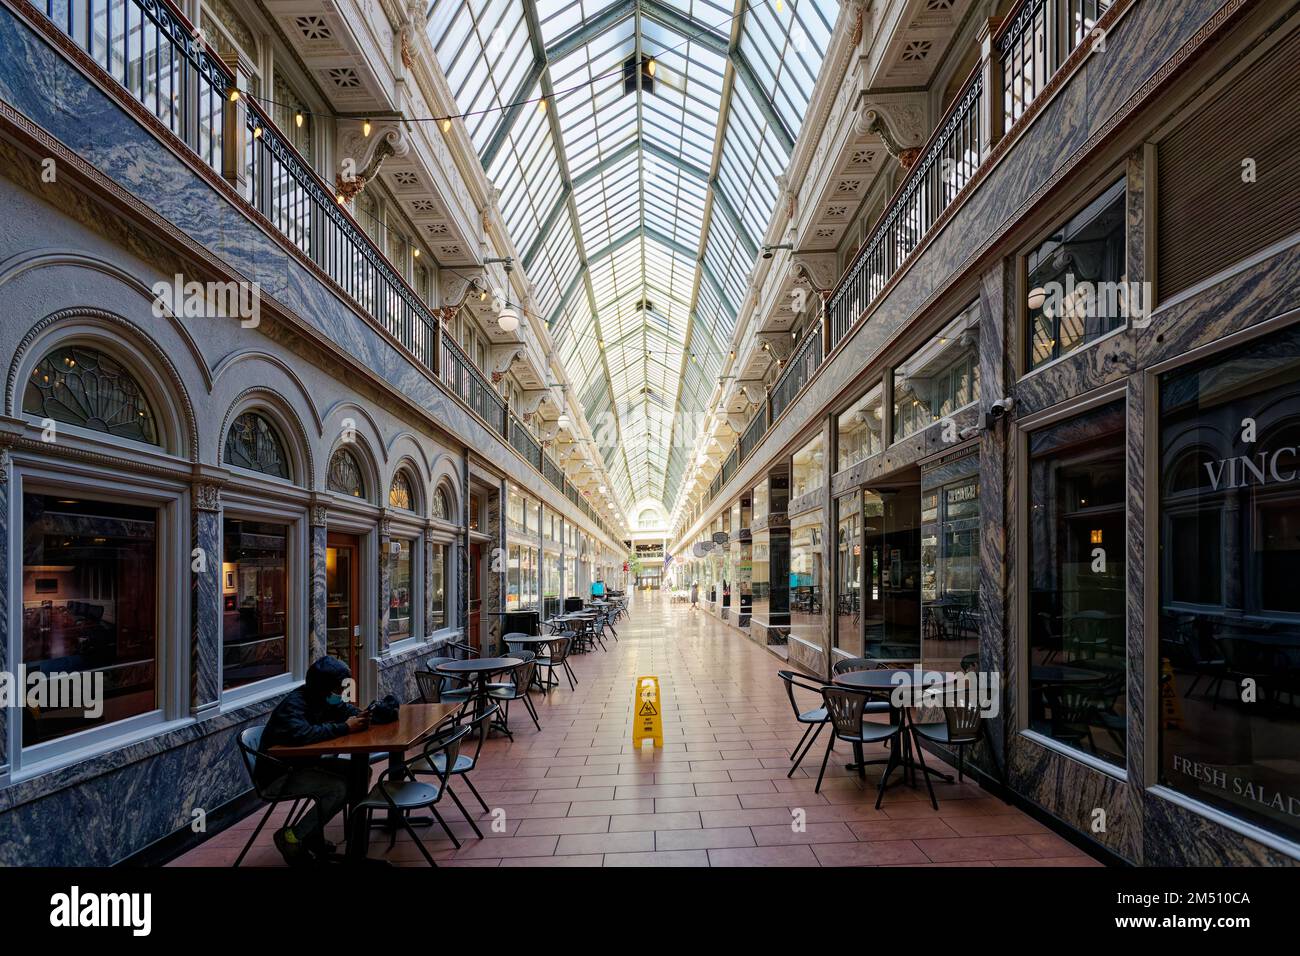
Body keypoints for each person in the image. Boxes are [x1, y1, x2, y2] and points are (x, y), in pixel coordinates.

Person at [258, 656, 371, 865]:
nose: (340, 693)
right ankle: (292, 837)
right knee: (337, 788)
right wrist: (346, 727)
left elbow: (344, 711)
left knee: (360, 770)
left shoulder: (322, 699)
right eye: (337, 689)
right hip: (280, 774)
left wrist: (364, 716)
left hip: (304, 765)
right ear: (324, 688)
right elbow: (303, 734)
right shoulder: (295, 705)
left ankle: (322, 834)